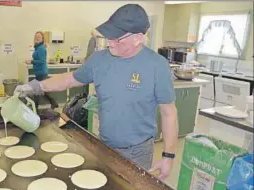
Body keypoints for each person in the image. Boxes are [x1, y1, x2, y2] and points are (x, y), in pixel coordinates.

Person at [16, 4, 178, 180]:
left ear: (138, 38)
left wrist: (168, 156)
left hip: (138, 152)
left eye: (117, 38)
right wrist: (36, 86)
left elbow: (168, 114)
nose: (110, 42)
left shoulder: (157, 66)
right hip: (104, 145)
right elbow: (69, 79)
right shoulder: (100, 60)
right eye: (109, 36)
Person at [25, 31, 58, 110]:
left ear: (42, 39)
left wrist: (31, 61)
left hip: (42, 73)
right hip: (39, 72)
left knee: (37, 91)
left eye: (39, 37)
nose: (37, 38)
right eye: (36, 37)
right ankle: (53, 102)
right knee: (42, 90)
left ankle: (35, 108)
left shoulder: (41, 48)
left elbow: (42, 61)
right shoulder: (38, 47)